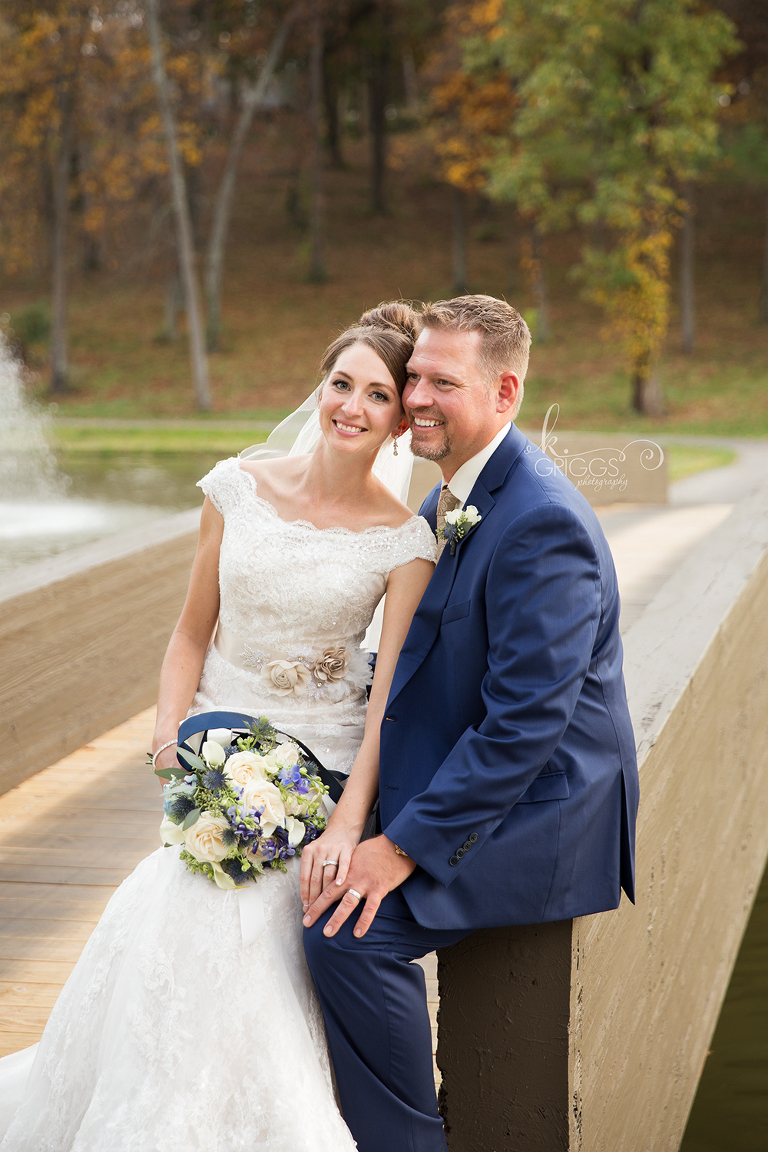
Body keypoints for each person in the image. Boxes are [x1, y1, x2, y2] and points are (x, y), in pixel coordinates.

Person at [0, 303, 438, 1151]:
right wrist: (170, 738)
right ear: (320, 385)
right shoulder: (237, 487)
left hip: (325, 766)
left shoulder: (403, 542)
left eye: (376, 395)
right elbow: (189, 632)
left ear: (397, 418)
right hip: (212, 748)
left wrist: (348, 821)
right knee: (183, 911)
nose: (350, 406)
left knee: (256, 942)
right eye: (340, 382)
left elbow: (387, 696)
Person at [302, 294, 640, 1152]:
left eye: (440, 382)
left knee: (350, 930)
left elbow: (524, 728)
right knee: (299, 868)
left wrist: (396, 844)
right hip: (477, 787)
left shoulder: (540, 521)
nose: (414, 397)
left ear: (505, 393)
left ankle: (411, 1144)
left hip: (539, 822)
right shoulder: (452, 498)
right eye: (413, 376)